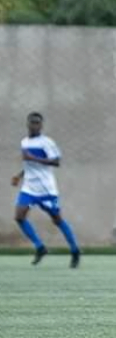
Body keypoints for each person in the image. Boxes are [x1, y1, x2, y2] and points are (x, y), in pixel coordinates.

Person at [12, 112, 81, 268]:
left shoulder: (47, 142)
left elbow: (56, 162)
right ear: (27, 124)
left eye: (38, 123)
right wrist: (19, 175)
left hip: (47, 190)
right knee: (19, 216)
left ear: (41, 125)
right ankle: (40, 247)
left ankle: (75, 250)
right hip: (29, 188)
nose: (35, 125)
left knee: (57, 219)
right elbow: (29, 165)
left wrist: (33, 158)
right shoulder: (24, 142)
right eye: (32, 122)